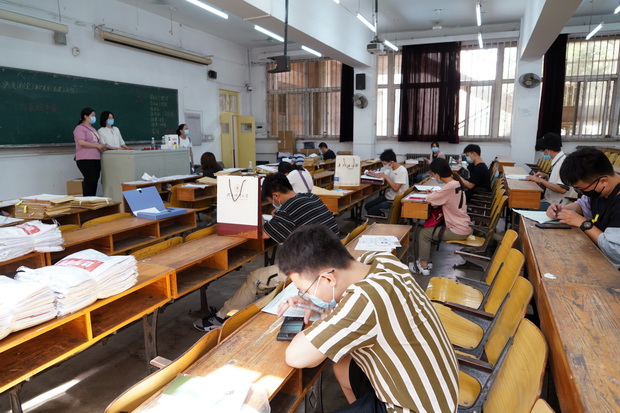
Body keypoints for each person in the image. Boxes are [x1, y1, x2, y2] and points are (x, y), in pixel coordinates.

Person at [275, 225, 459, 412]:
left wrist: (323, 318)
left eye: (305, 290)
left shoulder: (366, 300)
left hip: (416, 408)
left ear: (328, 279)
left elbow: (296, 357)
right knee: (342, 366)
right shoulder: (383, 261)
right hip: (437, 389)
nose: (305, 295)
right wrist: (314, 300)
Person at [193, 173, 339, 331]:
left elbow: (262, 233)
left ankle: (222, 318)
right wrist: (279, 216)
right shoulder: (310, 197)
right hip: (335, 256)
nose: (272, 204)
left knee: (255, 278)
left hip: (315, 269)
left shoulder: (287, 210)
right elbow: (297, 222)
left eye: (271, 201)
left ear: (276, 195)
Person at [546, 147, 620, 268]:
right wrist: (562, 211)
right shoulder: (599, 188)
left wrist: (583, 223)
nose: (581, 192)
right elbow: (583, 204)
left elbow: (615, 253)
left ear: (603, 181)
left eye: (580, 189)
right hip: (595, 253)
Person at [416, 158, 472, 275]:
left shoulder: (449, 187)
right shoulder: (455, 183)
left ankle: (423, 265)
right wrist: (436, 194)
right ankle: (427, 260)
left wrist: (432, 194)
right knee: (430, 231)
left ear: (437, 174)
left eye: (433, 174)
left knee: (424, 234)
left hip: (457, 230)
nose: (433, 176)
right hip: (464, 225)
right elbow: (444, 196)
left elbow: (430, 200)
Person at [525, 132, 575, 210]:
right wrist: (546, 175)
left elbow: (562, 189)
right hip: (550, 200)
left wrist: (541, 181)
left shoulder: (562, 163)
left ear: (548, 150)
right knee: (525, 203)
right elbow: (557, 178)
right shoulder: (558, 160)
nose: (542, 153)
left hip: (557, 204)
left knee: (525, 206)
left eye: (542, 151)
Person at [364, 149, 409, 217]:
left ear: (391, 162)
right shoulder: (391, 169)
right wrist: (373, 174)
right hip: (389, 196)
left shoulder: (402, 171)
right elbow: (382, 174)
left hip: (395, 199)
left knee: (372, 210)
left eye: (384, 164)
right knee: (367, 206)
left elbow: (396, 188)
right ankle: (380, 217)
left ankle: (382, 220)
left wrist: (386, 177)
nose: (384, 165)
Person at [73, 107, 106, 196]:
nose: (94, 117)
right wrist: (96, 146)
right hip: (85, 159)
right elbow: (81, 142)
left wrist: (101, 146)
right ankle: (87, 200)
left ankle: (92, 199)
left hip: (96, 158)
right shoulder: (79, 128)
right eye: (92, 115)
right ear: (86, 116)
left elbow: (97, 142)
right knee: (90, 179)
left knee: (94, 181)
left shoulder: (93, 129)